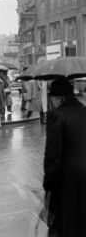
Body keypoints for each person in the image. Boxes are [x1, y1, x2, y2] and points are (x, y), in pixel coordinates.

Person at [43, 78, 86, 237]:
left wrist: (48, 184)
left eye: (52, 98)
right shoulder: (84, 110)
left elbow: (53, 155)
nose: (52, 102)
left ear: (59, 97)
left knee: (67, 224)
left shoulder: (57, 115)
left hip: (67, 181)